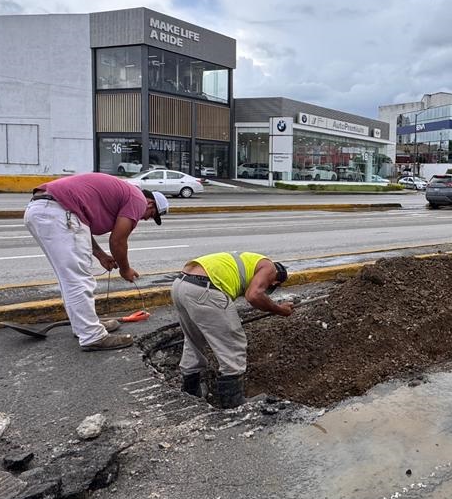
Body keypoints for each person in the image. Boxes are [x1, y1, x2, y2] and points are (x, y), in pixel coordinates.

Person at [24, 173, 168, 351]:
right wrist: (125, 270)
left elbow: (81, 225)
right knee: (78, 280)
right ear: (151, 204)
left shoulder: (123, 192)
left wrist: (100, 255)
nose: (144, 219)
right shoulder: (137, 199)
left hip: (43, 209)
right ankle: (92, 336)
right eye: (150, 215)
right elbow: (118, 240)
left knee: (70, 279)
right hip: (57, 211)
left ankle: (85, 327)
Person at [171, 251, 294, 408]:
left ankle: (190, 389)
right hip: (205, 289)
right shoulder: (269, 268)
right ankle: (232, 401)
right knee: (233, 342)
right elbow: (254, 295)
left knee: (194, 338)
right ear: (275, 282)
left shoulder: (250, 261)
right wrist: (279, 309)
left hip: (180, 285)